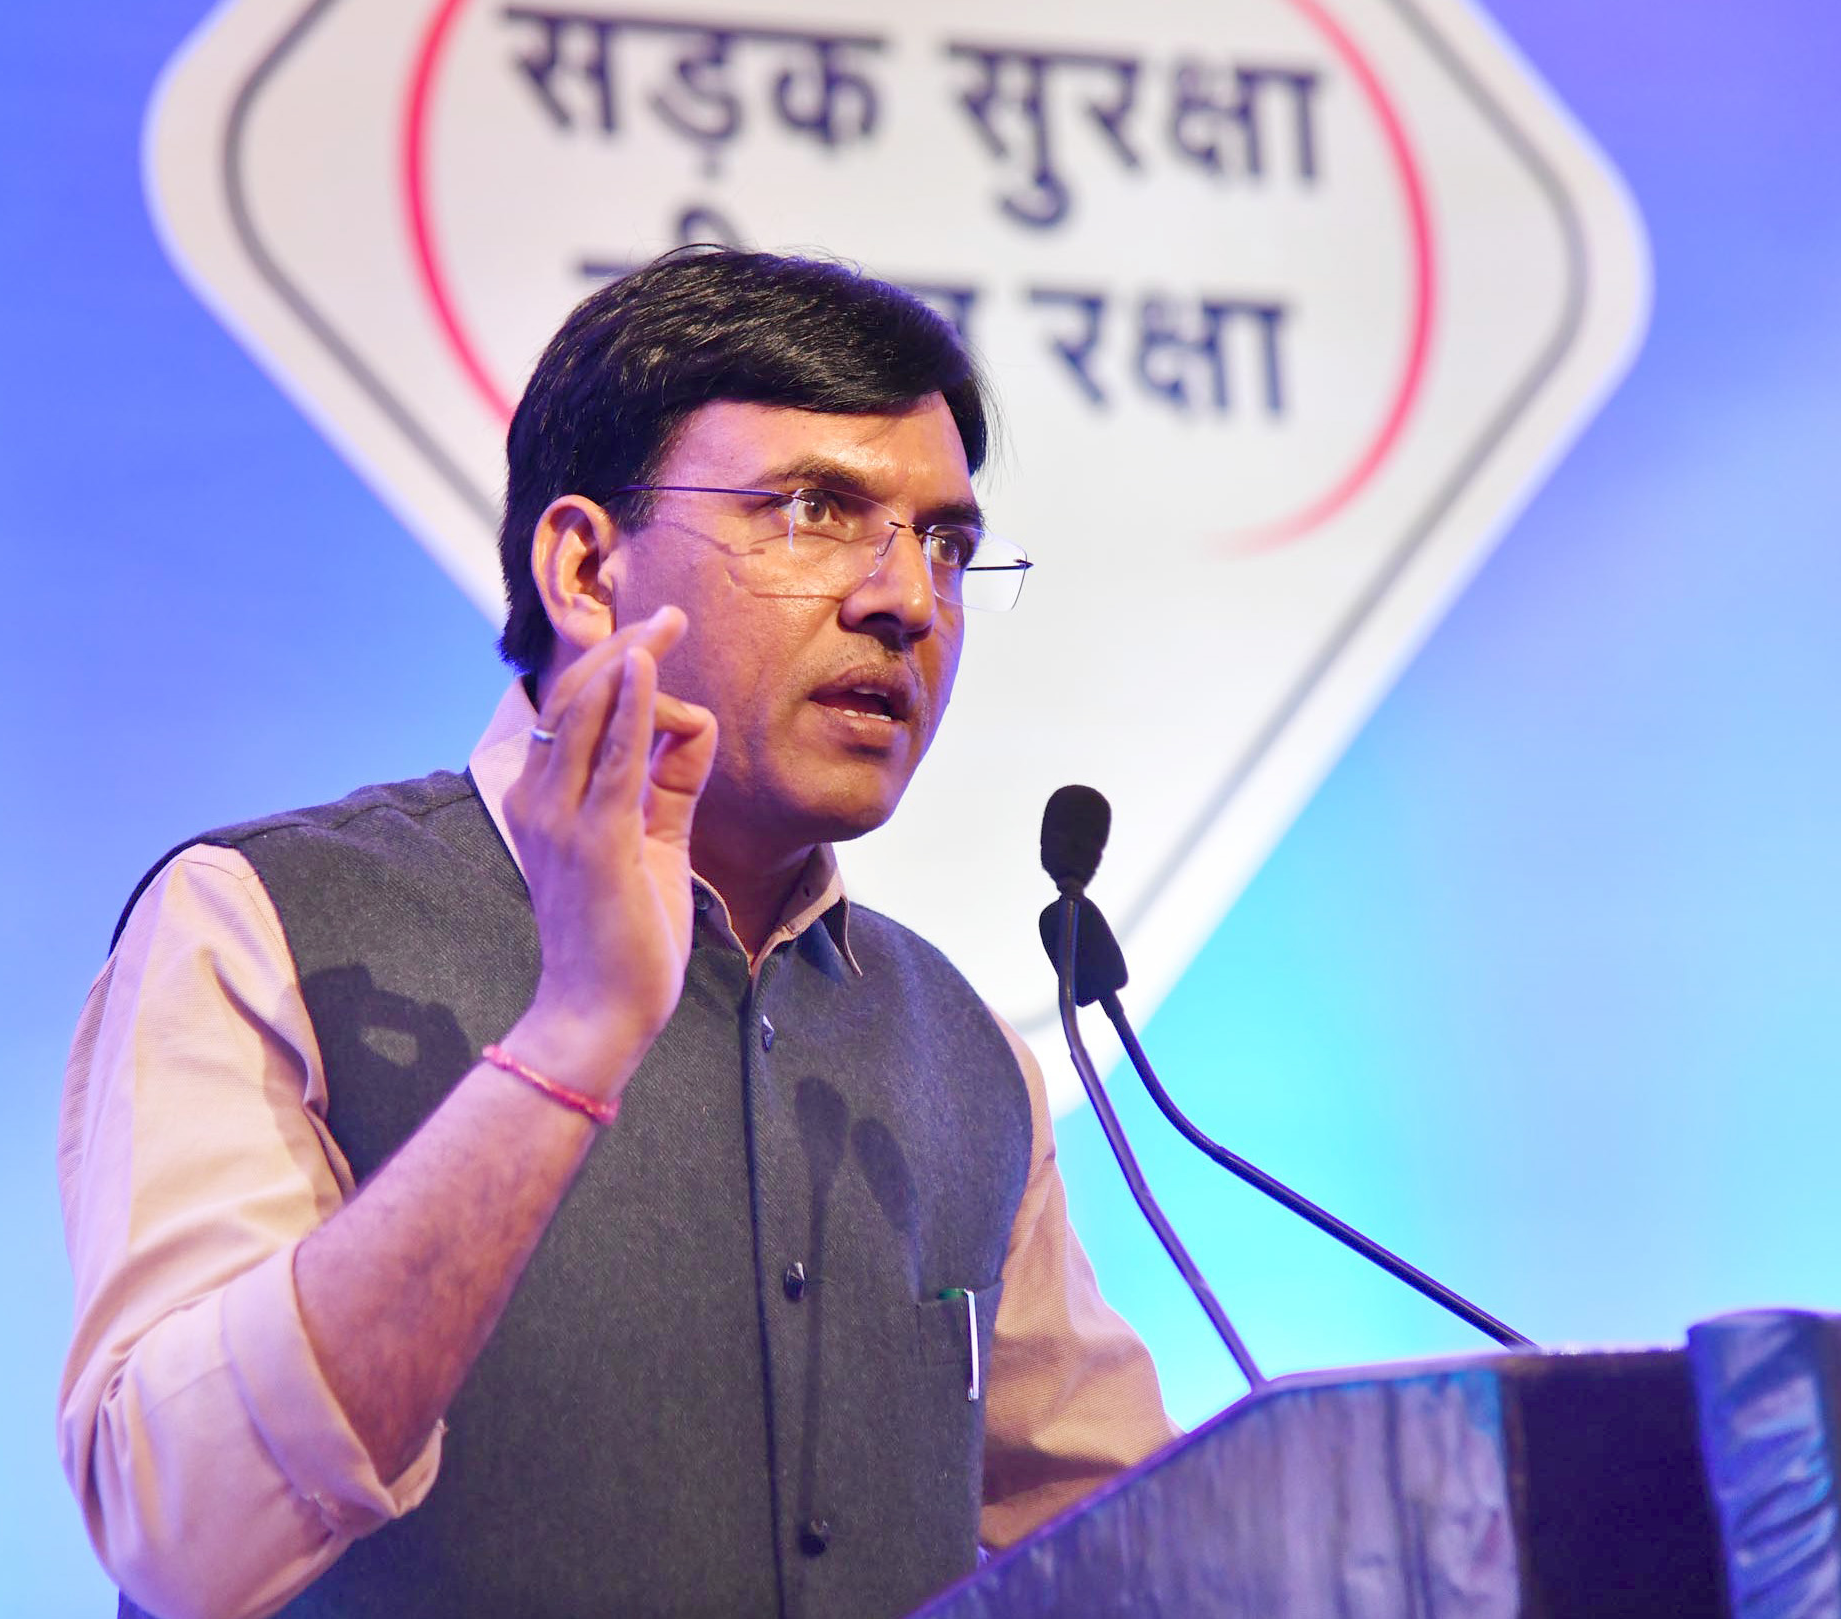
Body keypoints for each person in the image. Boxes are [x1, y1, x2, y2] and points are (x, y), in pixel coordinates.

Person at [58, 248, 1174, 1619]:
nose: (907, 600)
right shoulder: (267, 925)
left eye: (944, 541)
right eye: (818, 508)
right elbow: (184, 1537)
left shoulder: (964, 1050)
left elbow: (1136, 1545)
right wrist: (573, 1037)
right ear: (585, 566)